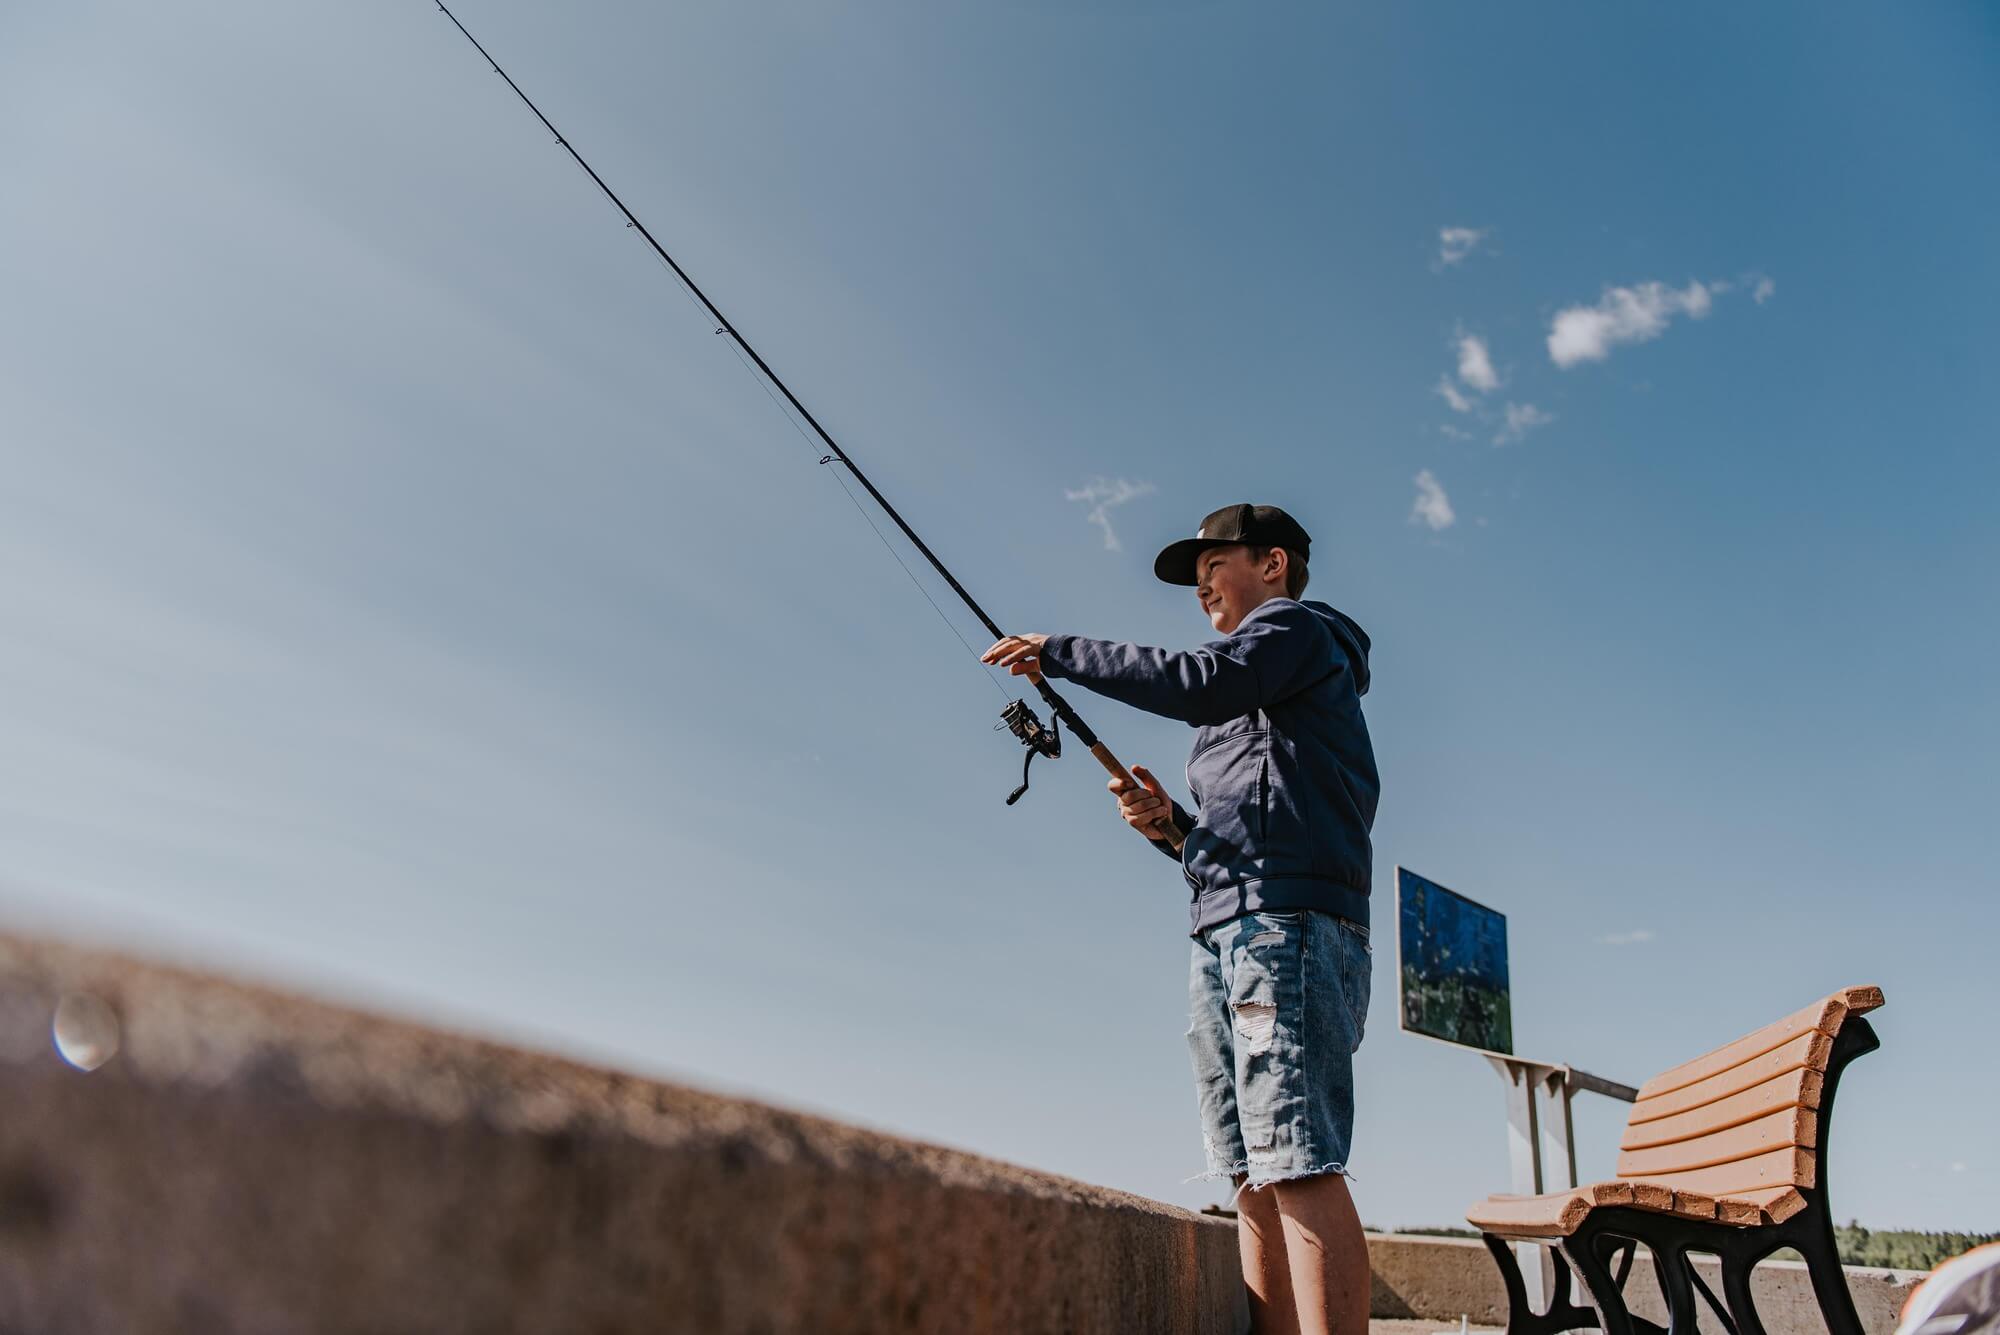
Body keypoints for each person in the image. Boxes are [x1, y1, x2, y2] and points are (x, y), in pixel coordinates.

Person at [982, 503, 1379, 1335]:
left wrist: (1060, 652)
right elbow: (1234, 837)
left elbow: (1207, 679)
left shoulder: (1296, 631)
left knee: (1297, 1158)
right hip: (1227, 926)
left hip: (1287, 927)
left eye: (1215, 561)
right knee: (1248, 1169)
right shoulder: (1245, 706)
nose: (1200, 580)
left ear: (1273, 563)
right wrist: (1173, 824)